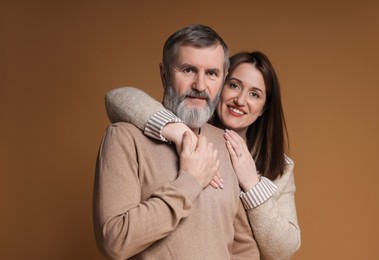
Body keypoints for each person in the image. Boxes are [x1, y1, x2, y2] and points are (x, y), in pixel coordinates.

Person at [106, 51, 301, 259]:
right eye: (234, 85)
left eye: (255, 94)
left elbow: (283, 250)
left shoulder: (280, 166)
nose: (240, 100)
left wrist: (252, 184)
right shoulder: (185, 123)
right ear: (218, 86)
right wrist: (182, 134)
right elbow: (117, 97)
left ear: (263, 108)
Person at [93, 24, 260, 259]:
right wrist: (189, 182)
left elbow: (243, 247)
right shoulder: (124, 138)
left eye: (211, 73)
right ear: (164, 73)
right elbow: (115, 240)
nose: (200, 86)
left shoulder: (226, 144)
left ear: (222, 79)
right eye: (188, 70)